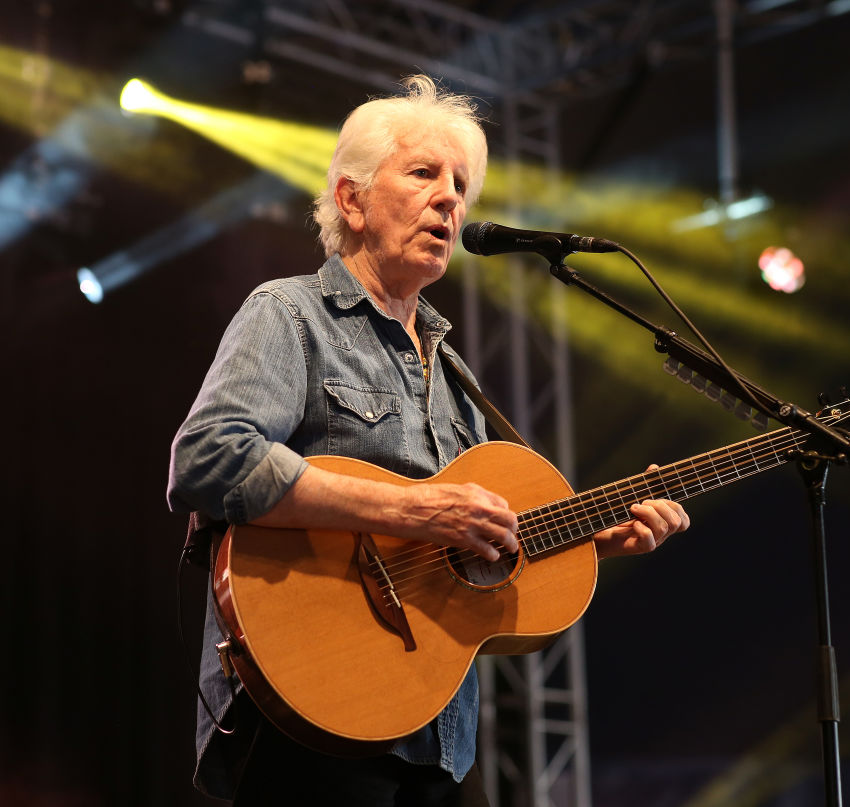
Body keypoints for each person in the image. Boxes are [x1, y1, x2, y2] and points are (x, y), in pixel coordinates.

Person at [168, 75, 689, 806]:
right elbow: (208, 458)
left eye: (461, 184)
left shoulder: (455, 373)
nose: (451, 198)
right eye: (424, 173)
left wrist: (587, 540)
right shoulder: (289, 314)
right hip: (316, 704)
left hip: (439, 733)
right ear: (351, 198)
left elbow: (467, 555)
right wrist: (410, 511)